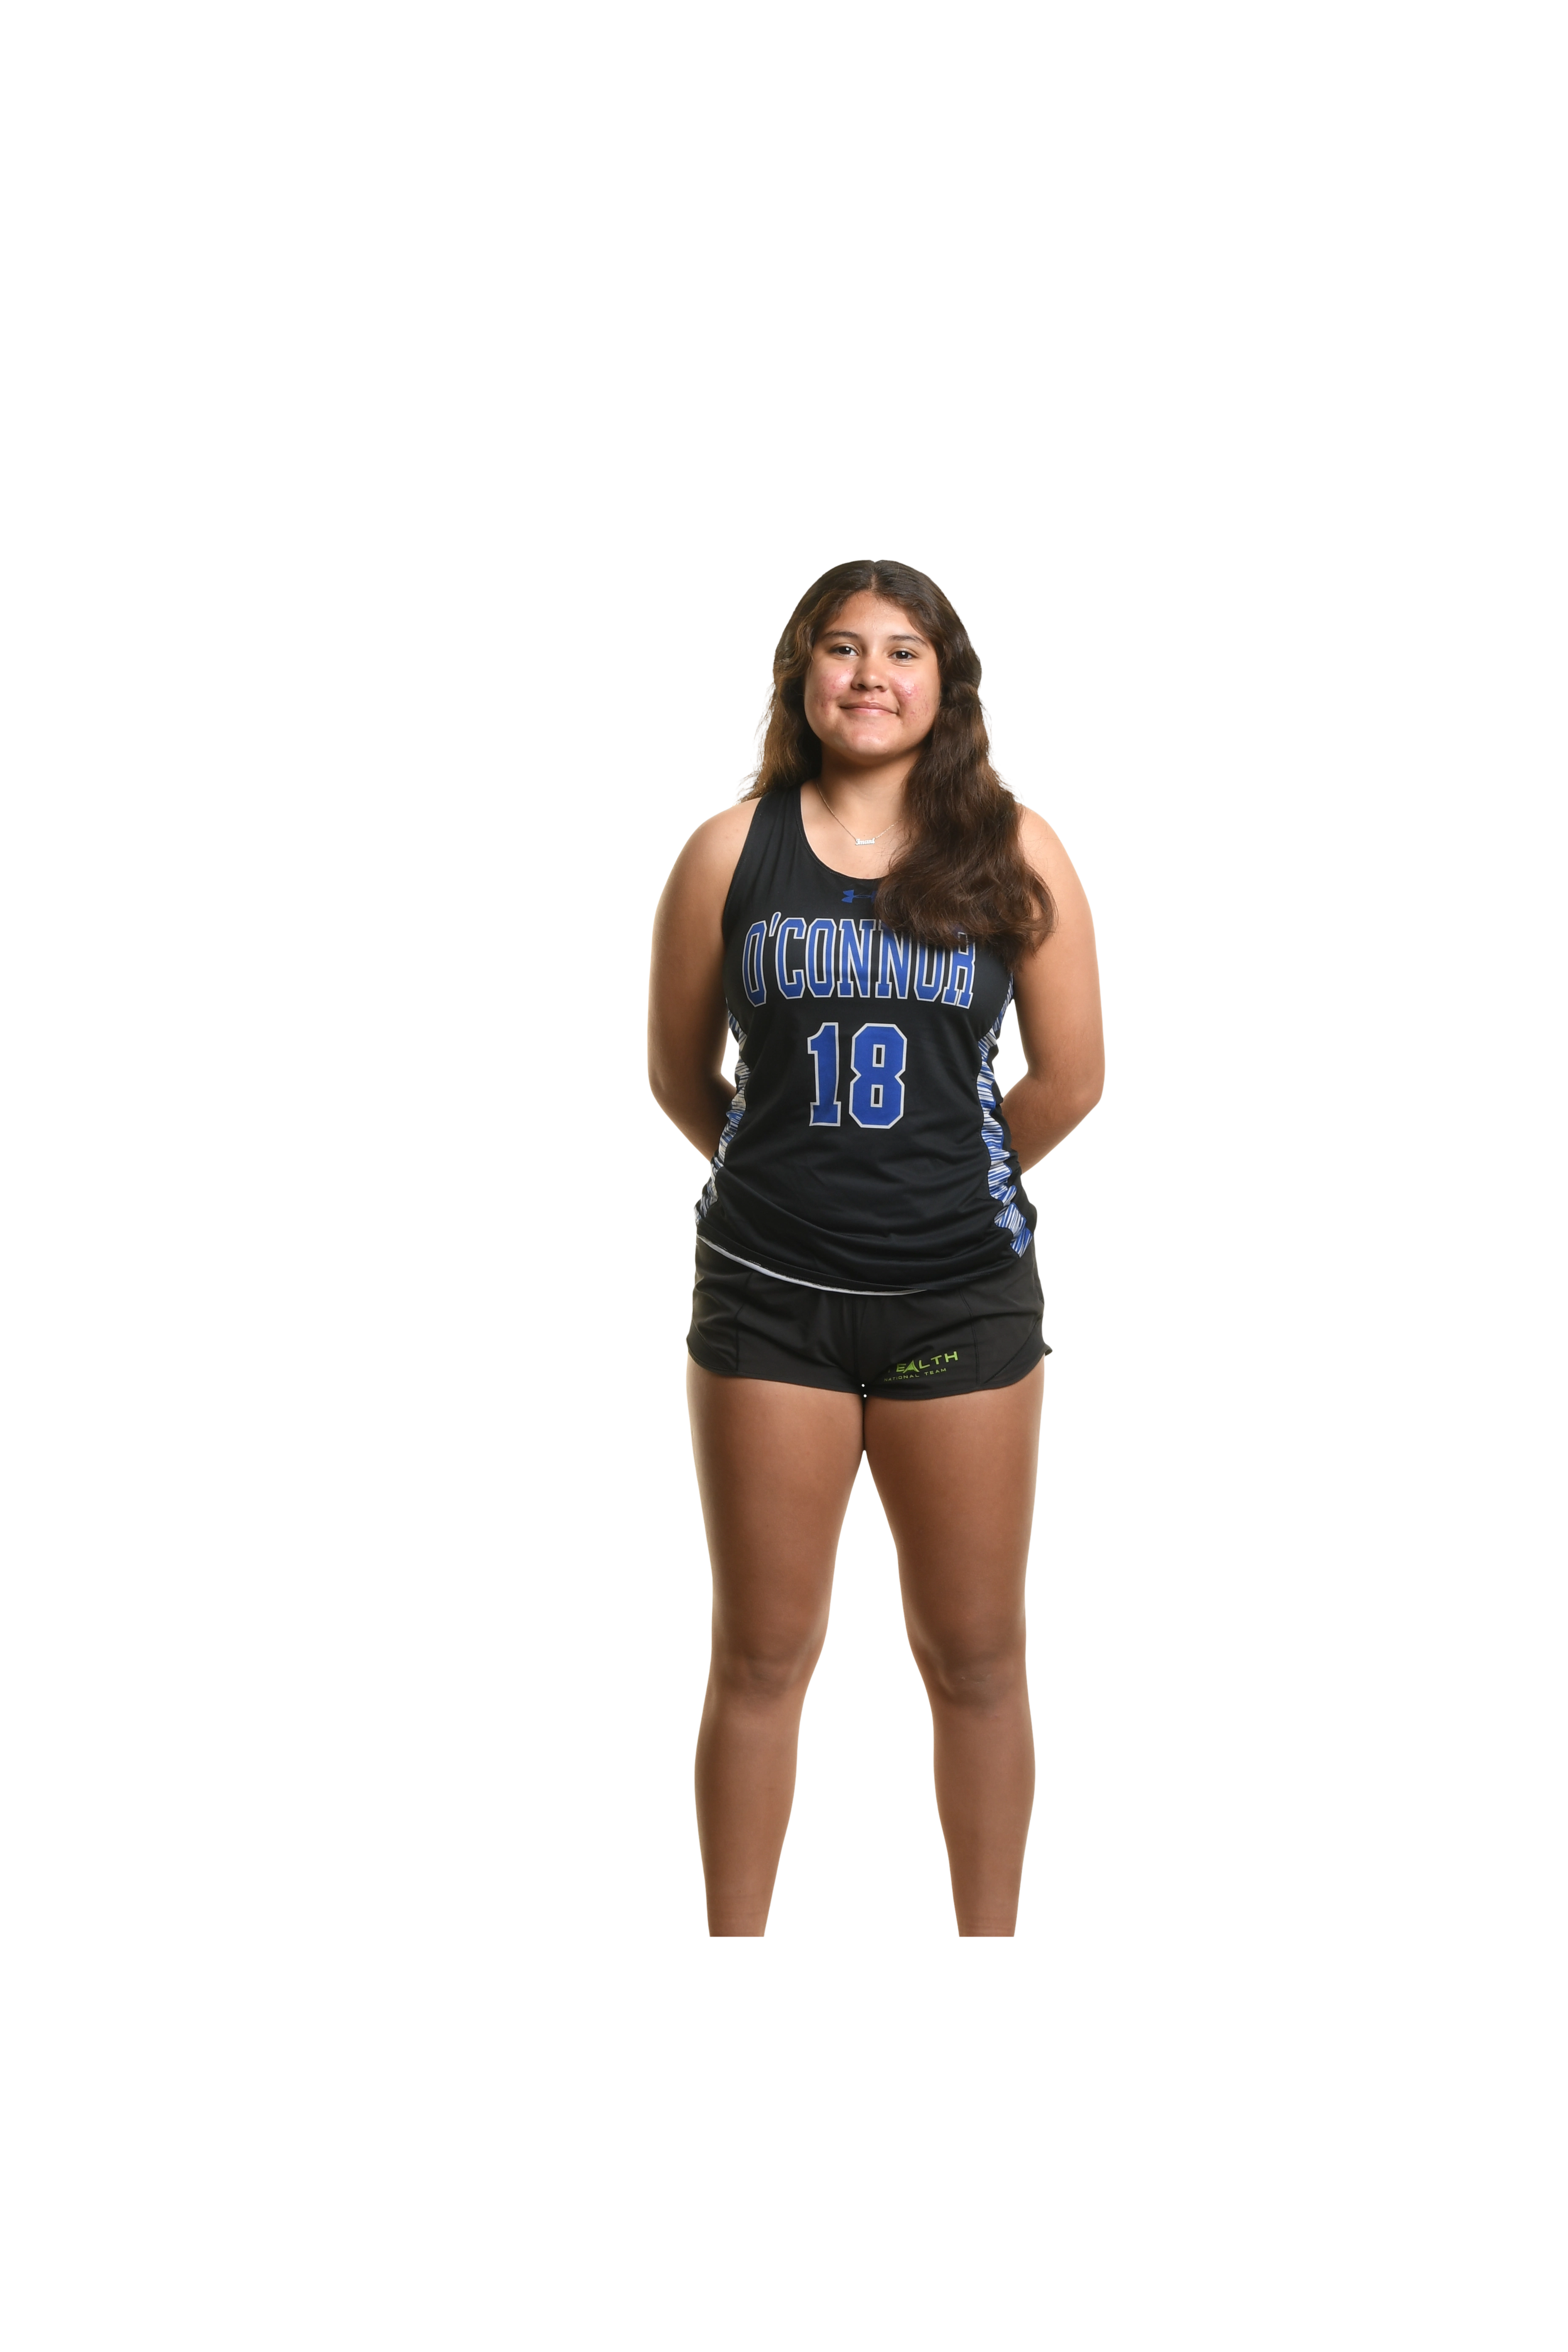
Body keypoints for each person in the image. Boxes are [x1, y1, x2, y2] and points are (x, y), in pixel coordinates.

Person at [647, 558, 1105, 1937]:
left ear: (944, 682)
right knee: (760, 1654)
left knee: (976, 1658)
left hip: (960, 1297)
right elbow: (679, 1076)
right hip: (768, 1303)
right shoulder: (729, 852)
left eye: (903, 651)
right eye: (842, 647)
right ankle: (731, 1969)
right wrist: (795, 1184)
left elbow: (1072, 1080)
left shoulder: (1016, 848)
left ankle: (989, 1968)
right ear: (803, 672)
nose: (870, 675)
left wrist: (939, 1184)